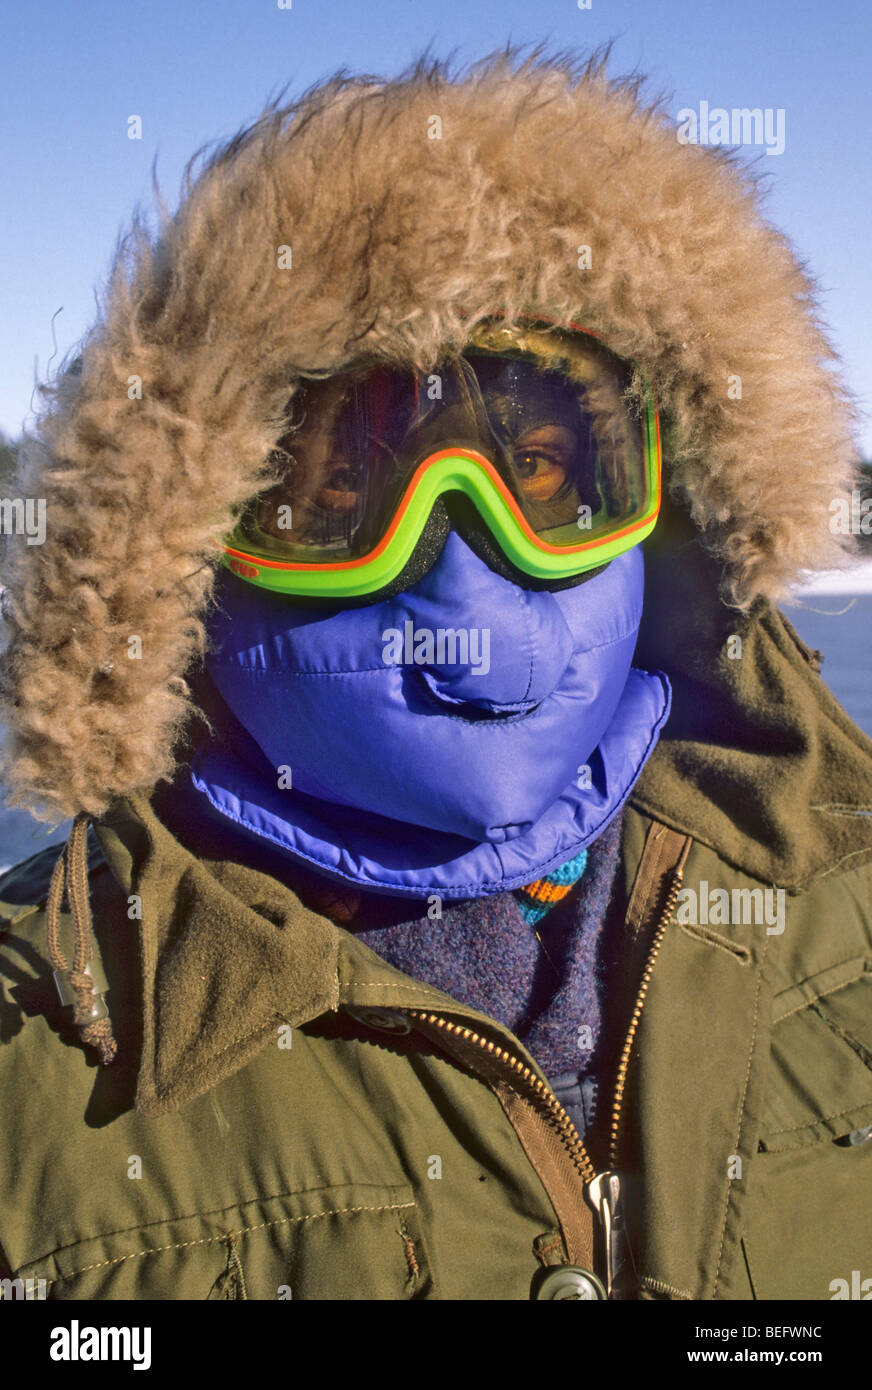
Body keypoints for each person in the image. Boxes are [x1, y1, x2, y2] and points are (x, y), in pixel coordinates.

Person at [1, 49, 870, 1303]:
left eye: (544, 477)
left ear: (673, 497)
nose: (469, 602)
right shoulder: (52, 1056)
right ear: (177, 557)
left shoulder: (840, 894)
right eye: (336, 496)